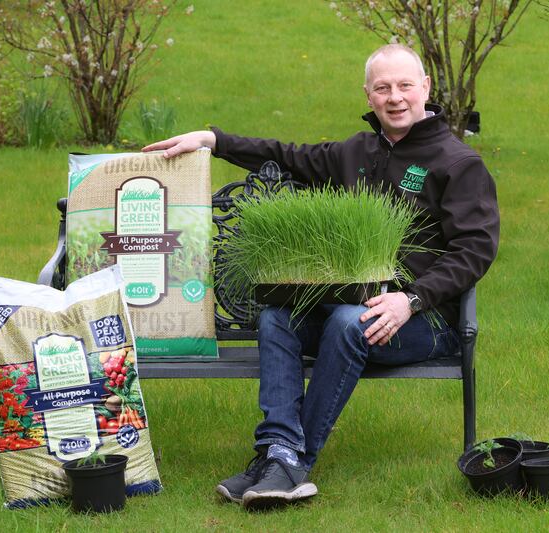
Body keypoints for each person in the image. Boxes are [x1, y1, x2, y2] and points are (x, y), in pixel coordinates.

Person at [143, 43, 499, 510]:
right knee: (277, 318)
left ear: (426, 88)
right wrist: (214, 140)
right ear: (369, 95)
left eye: (405, 85)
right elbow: (287, 155)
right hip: (353, 310)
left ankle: (285, 463)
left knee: (350, 321)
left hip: (425, 322)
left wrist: (409, 301)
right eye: (382, 87)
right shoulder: (357, 152)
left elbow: (475, 250)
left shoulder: (458, 163)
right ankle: (279, 453)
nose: (395, 97)